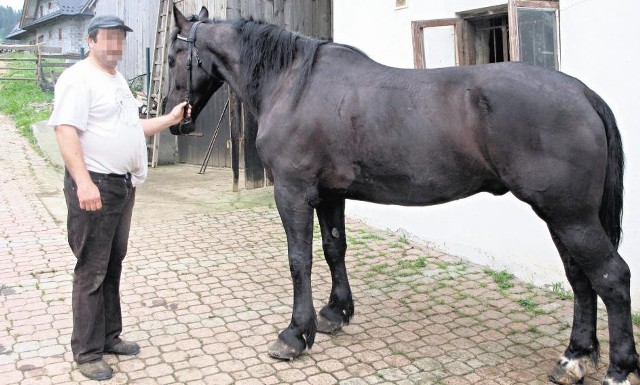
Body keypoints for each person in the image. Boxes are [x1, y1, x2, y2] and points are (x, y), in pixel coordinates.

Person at [48, 15, 189, 381]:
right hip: (95, 185)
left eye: (119, 39)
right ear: (91, 40)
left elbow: (131, 128)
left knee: (112, 263)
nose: (115, 45)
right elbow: (65, 130)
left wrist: (169, 119)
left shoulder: (117, 80)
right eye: (108, 39)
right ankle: (88, 352)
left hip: (122, 186)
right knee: (91, 269)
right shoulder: (78, 79)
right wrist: (83, 182)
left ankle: (110, 336)